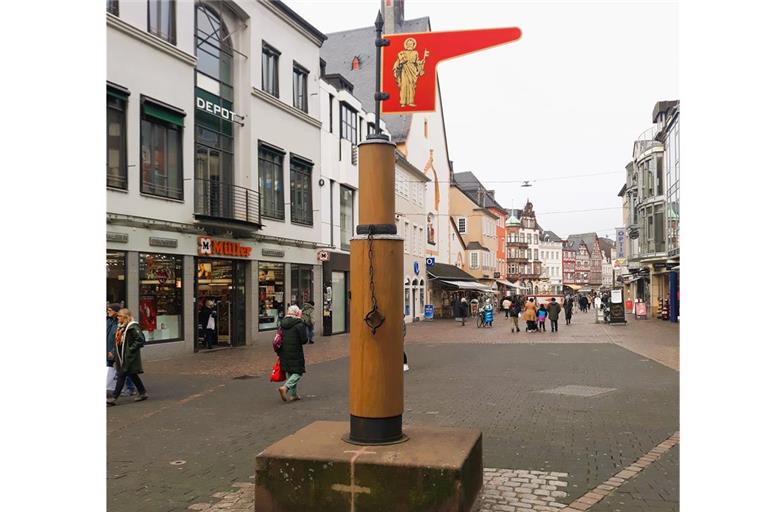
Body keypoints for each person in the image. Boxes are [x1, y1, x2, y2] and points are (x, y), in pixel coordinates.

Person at [108, 309, 148, 406]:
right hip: (122, 356)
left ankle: (114, 397)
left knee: (121, 374)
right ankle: (142, 392)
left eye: (120, 316)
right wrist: (114, 351)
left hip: (128, 356)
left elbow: (140, 339)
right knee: (132, 374)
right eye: (118, 316)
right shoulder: (121, 327)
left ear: (126, 317)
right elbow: (119, 342)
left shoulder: (132, 327)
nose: (118, 318)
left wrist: (130, 350)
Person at [276, 305, 309, 402]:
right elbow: (304, 340)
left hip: (283, 350)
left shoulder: (282, 323)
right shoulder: (299, 324)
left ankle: (293, 395)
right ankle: (285, 388)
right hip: (295, 351)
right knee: (298, 371)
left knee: (290, 371)